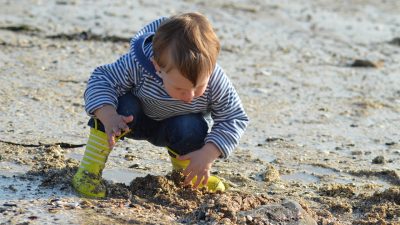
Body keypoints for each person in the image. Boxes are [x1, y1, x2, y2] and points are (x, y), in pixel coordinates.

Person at [72, 12, 249, 198]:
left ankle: (187, 176)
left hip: (177, 127)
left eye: (198, 87)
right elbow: (102, 79)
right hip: (130, 120)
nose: (189, 96)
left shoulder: (215, 80)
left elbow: (234, 117)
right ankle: (89, 171)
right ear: (157, 66)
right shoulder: (138, 64)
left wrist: (208, 153)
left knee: (191, 125)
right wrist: (108, 115)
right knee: (121, 104)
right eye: (180, 88)